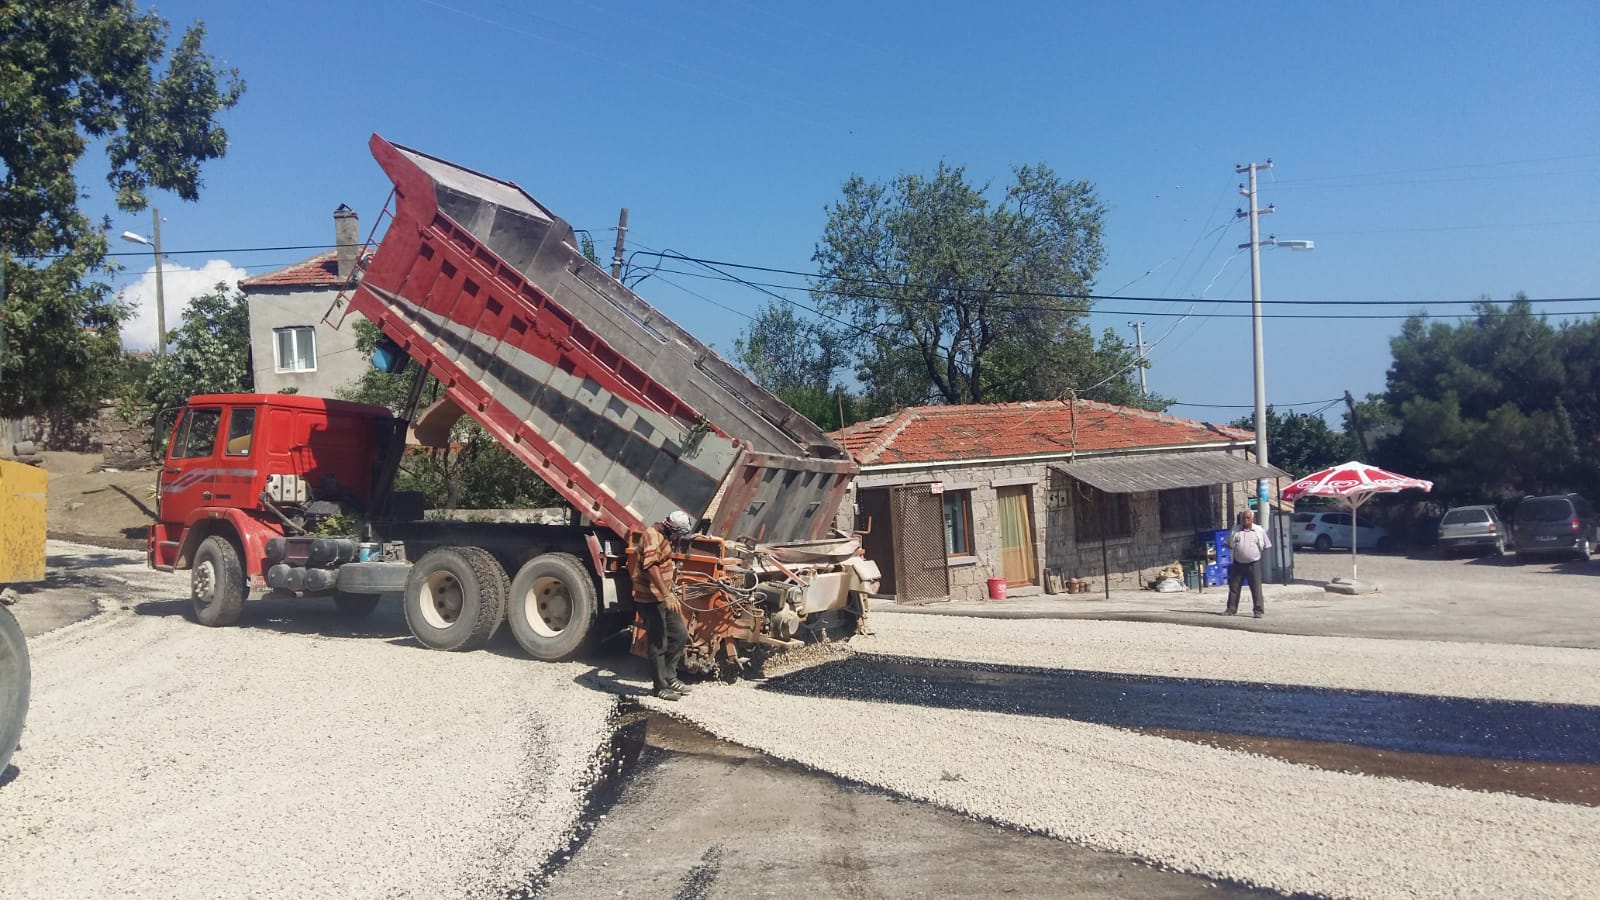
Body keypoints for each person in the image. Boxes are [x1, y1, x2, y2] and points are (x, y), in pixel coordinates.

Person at [630, 510, 695, 700]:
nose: (678, 539)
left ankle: (669, 676)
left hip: (663, 597)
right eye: (679, 535)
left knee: (680, 635)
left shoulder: (664, 535)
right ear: (672, 529)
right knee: (658, 642)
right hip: (650, 598)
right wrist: (666, 594)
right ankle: (659, 687)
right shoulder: (652, 536)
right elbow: (651, 567)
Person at [1225, 509, 1272, 618]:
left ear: (1252, 519)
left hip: (1253, 563)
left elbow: (1266, 545)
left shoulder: (1258, 530)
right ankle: (1231, 609)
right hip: (1238, 563)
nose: (1245, 520)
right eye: (1244, 518)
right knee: (1234, 587)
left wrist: (1253, 552)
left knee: (1256, 587)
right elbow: (1229, 544)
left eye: (1248, 518)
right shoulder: (1235, 530)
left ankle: (1258, 610)